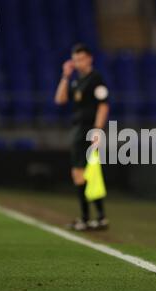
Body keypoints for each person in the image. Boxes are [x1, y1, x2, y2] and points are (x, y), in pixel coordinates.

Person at [54, 44, 110, 231]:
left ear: (89, 58)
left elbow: (103, 105)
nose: (78, 63)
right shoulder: (77, 80)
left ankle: (89, 217)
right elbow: (60, 99)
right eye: (75, 60)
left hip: (88, 130)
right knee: (86, 174)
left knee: (83, 173)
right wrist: (65, 75)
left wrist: (97, 130)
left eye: (81, 59)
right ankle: (97, 217)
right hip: (78, 130)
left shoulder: (96, 79)